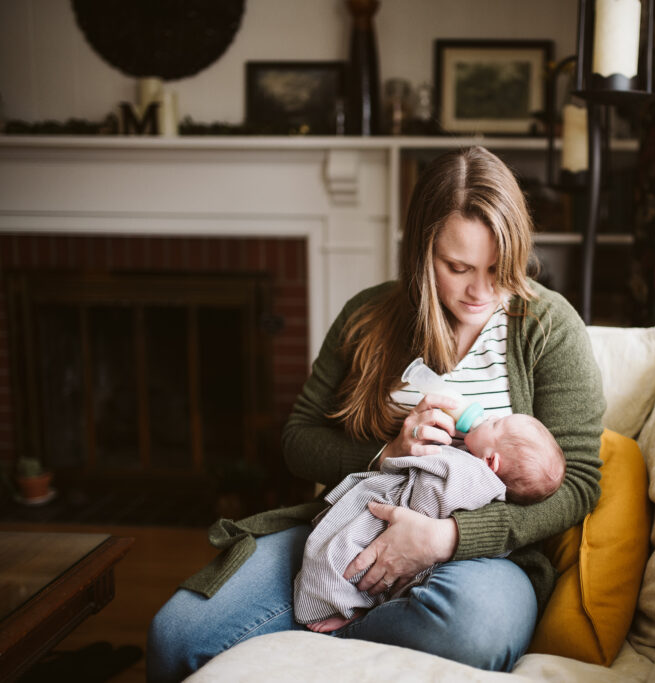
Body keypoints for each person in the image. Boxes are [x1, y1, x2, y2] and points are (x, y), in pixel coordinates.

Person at [146, 146, 606, 681]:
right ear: (420, 253)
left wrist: (447, 539)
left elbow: (578, 483)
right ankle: (331, 620)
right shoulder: (368, 316)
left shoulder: (547, 327)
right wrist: (387, 452)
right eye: (456, 267)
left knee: (470, 629)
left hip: (482, 560)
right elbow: (298, 441)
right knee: (177, 636)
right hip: (346, 531)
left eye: (497, 268)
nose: (480, 290)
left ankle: (313, 643)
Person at [295, 413, 565, 633]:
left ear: (491, 461)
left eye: (495, 424)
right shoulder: (475, 464)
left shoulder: (469, 474)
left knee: (335, 560)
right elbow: (297, 437)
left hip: (406, 531)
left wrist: (440, 532)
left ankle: (342, 609)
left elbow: (428, 496)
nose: (488, 417)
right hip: (399, 532)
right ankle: (356, 611)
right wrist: (386, 451)